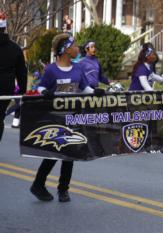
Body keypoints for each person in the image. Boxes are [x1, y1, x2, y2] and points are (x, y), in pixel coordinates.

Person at [30, 33, 101, 203]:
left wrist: (96, 92)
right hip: (55, 117)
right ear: (66, 50)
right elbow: (39, 87)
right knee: (53, 154)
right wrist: (44, 92)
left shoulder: (78, 69)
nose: (78, 48)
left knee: (70, 155)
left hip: (73, 117)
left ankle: (63, 190)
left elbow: (84, 88)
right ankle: (38, 184)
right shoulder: (51, 70)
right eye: (74, 46)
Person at [0, 11, 27, 141]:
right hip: (6, 90)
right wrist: (22, 91)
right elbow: (22, 72)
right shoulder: (15, 48)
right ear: (4, 27)